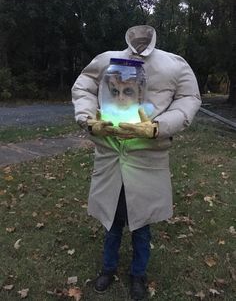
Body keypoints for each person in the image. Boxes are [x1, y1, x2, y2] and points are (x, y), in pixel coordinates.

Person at [72, 25, 201, 300]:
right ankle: (108, 269)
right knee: (111, 223)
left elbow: (189, 98)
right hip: (110, 159)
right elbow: (84, 84)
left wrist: (158, 127)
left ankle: (138, 275)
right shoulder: (106, 59)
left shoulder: (174, 65)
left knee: (142, 226)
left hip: (147, 161)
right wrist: (87, 119)